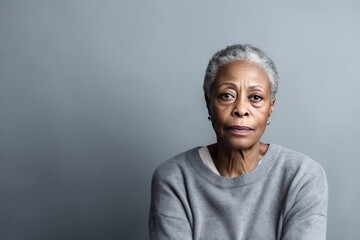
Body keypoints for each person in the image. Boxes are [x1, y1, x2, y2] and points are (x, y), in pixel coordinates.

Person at [148, 44, 328, 240]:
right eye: (227, 95)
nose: (241, 109)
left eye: (256, 97)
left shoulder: (302, 176)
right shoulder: (174, 178)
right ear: (208, 103)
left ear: (271, 108)